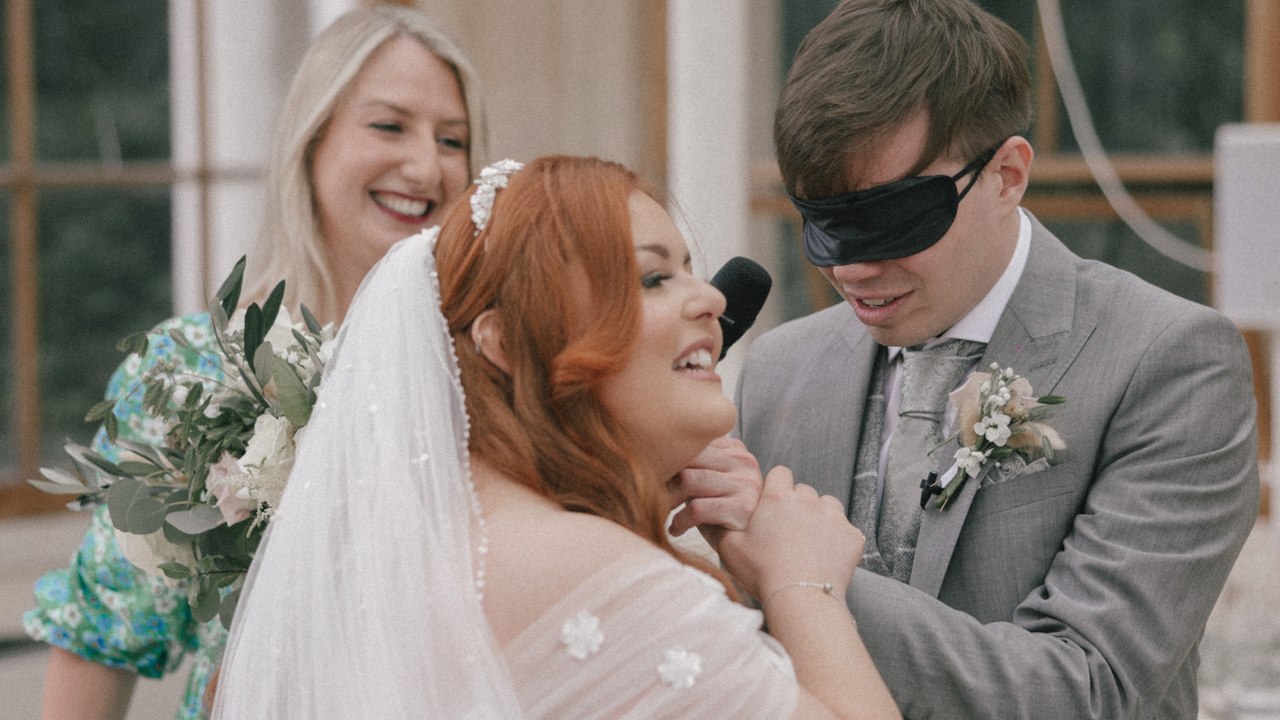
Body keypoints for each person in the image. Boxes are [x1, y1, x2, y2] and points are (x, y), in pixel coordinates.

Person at [713, 0, 1261, 717]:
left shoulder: (1169, 360)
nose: (853, 269)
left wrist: (806, 581)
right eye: (826, 227)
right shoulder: (779, 368)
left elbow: (1088, 689)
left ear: (1007, 174)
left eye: (897, 218)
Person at [211, 155, 903, 720]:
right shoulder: (586, 569)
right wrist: (802, 582)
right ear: (508, 343)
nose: (713, 300)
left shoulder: (425, 549)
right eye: (653, 277)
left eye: (689, 269)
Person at [23, 7, 489, 719]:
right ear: (311, 140)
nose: (427, 166)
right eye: (389, 126)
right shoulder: (192, 375)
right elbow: (102, 638)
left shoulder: (496, 368)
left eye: (452, 140)